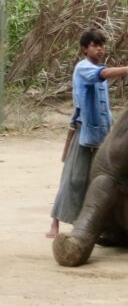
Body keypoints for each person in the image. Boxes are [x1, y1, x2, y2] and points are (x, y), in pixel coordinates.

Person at [48, 28, 128, 238]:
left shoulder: (98, 69)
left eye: (101, 45)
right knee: (73, 178)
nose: (100, 49)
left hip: (101, 136)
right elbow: (104, 74)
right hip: (83, 135)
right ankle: (54, 224)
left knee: (96, 181)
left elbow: (104, 107)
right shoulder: (83, 68)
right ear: (85, 48)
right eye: (95, 45)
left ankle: (93, 224)